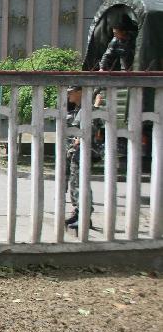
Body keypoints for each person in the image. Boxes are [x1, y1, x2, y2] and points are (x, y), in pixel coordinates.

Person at [65, 86, 97, 231]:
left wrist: (79, 140)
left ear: (80, 92)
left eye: (71, 91)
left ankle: (85, 217)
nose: (69, 94)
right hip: (76, 152)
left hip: (84, 151)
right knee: (74, 182)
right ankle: (78, 212)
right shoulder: (78, 109)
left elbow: (90, 131)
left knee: (80, 183)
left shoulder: (87, 109)